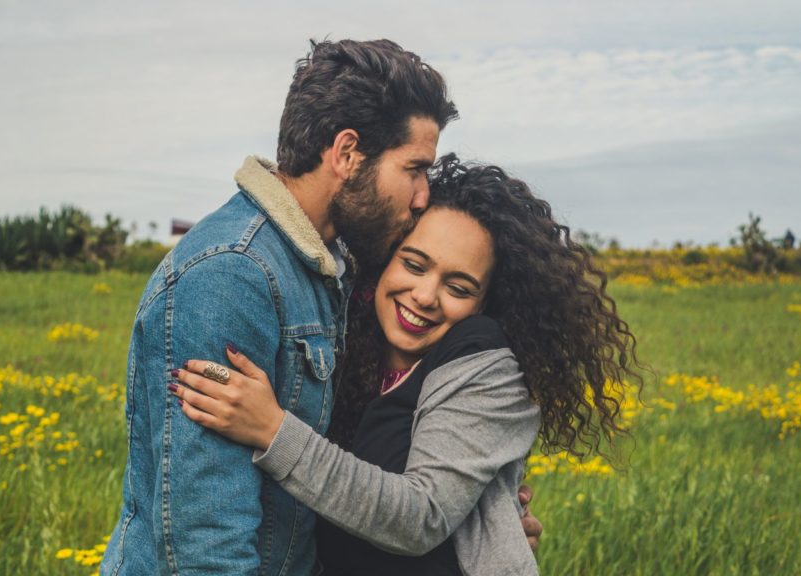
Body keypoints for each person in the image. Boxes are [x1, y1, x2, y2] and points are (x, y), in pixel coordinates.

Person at [100, 40, 540, 576]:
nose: (423, 194)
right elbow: (205, 540)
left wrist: (481, 521)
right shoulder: (232, 275)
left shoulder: (326, 266)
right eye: (414, 169)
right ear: (347, 153)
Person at [172, 155, 642, 574]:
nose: (424, 296)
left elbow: (420, 517)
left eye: (458, 288)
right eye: (414, 265)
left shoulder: (485, 361)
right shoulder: (344, 344)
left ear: (485, 303)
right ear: (382, 261)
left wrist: (272, 430)